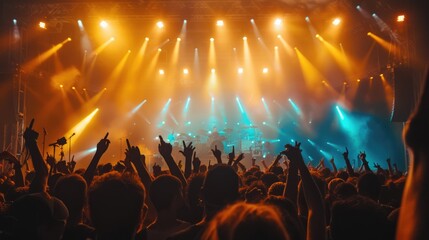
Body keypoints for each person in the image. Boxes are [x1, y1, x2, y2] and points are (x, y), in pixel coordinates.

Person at [147, 175, 191, 240]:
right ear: (175, 198)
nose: (183, 195)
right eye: (181, 191)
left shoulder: (143, 235)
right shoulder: (187, 231)